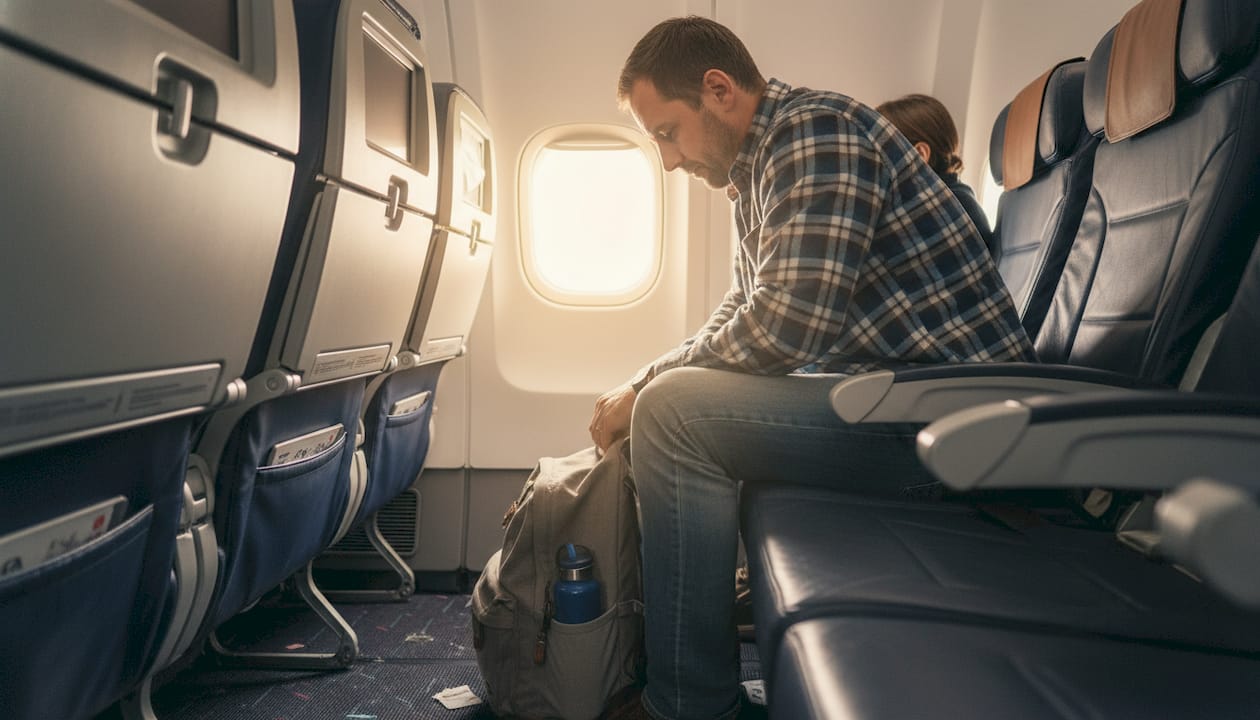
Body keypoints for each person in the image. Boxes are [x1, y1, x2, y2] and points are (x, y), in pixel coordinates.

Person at [589, 16, 1034, 720]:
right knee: (679, 399)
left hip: (958, 425)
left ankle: (688, 705)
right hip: (900, 404)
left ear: (718, 90)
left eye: (668, 133)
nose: (669, 162)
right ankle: (692, 670)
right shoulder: (758, 166)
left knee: (673, 418)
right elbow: (744, 306)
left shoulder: (818, 135)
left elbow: (785, 328)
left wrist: (648, 389)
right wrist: (648, 373)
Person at [876, 93, 997, 258]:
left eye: (879, 153)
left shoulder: (946, 207)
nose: (874, 164)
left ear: (919, 154)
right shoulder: (954, 195)